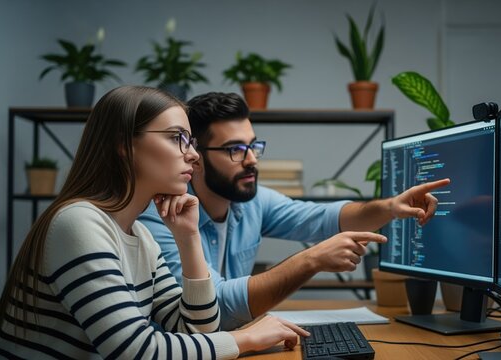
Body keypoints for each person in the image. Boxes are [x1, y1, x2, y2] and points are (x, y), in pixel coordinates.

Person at [0, 86, 308, 359]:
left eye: (191, 142)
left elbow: (198, 329)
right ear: (125, 145)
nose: (193, 155)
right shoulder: (79, 223)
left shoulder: (139, 234)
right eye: (176, 138)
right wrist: (245, 338)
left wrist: (189, 238)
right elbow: (136, 352)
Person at [139, 92, 451, 330]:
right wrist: (311, 260)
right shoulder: (163, 214)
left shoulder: (251, 201)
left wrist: (392, 207)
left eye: (253, 146)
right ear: (195, 157)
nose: (251, 160)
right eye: (236, 149)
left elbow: (322, 219)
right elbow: (214, 302)